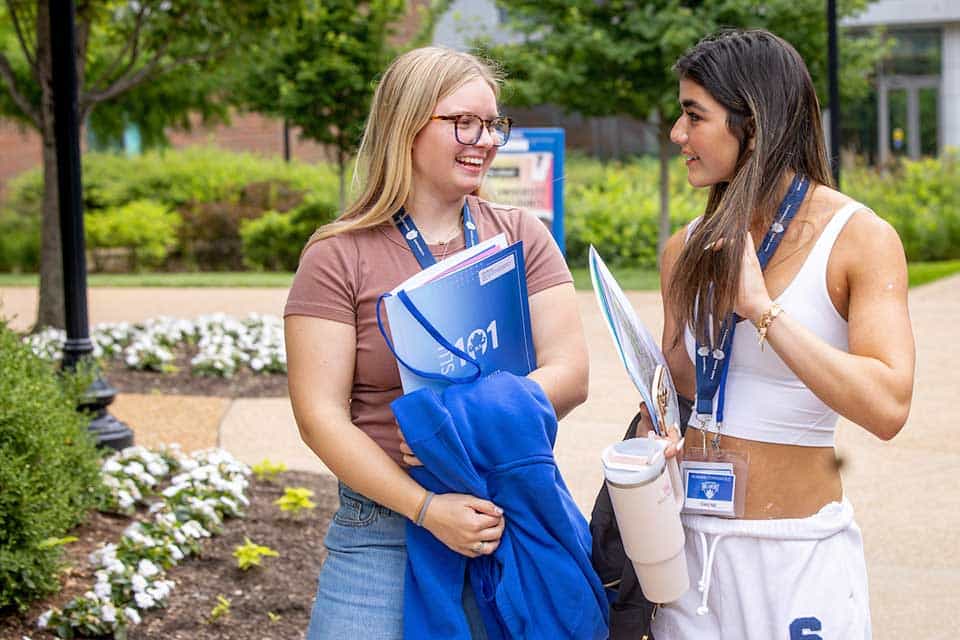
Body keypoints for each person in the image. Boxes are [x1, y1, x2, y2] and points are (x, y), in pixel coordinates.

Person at [283, 46, 589, 639]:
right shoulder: (336, 256)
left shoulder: (523, 236)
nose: (485, 139)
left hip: (508, 518)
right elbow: (319, 415)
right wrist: (425, 509)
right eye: (463, 122)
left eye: (493, 123)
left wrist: (451, 427)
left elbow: (570, 375)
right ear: (407, 124)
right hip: (383, 532)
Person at [650, 29, 915, 638]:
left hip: (797, 554)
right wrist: (655, 416)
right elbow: (680, 389)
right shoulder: (683, 248)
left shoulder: (859, 237)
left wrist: (762, 311)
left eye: (694, 116)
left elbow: (888, 405)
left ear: (754, 123)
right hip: (687, 556)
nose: (677, 135)